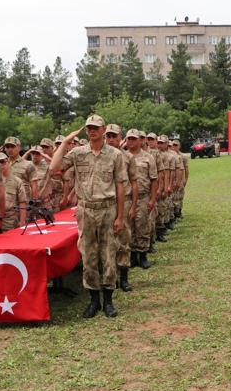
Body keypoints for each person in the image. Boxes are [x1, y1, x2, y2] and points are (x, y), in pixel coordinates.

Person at [50, 114, 127, 318]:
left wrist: (120, 216)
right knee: (88, 256)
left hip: (108, 209)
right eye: (88, 128)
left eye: (95, 128)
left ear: (103, 130)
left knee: (109, 255)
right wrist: (65, 142)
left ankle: (108, 301)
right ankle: (93, 300)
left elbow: (120, 185)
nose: (92, 131)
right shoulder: (77, 153)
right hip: (85, 210)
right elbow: (54, 168)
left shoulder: (115, 155)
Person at [105, 124, 138, 292]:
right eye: (108, 136)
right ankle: (110, 277)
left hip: (123, 203)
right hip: (106, 203)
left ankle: (124, 278)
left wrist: (133, 205)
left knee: (124, 240)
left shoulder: (128, 157)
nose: (110, 139)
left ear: (120, 138)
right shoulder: (102, 156)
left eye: (114, 136)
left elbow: (134, 181)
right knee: (107, 243)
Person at [126, 129, 157, 269]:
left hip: (143, 197)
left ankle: (143, 255)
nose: (131, 141)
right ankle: (132, 257)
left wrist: (152, 199)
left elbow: (154, 180)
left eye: (134, 139)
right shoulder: (122, 157)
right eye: (129, 139)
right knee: (129, 228)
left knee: (142, 226)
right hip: (127, 199)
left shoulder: (148, 157)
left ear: (140, 141)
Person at [0, 152, 27, 232]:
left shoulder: (17, 181)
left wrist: (22, 221)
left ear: (8, 162)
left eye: (2, 162)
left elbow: (22, 202)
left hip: (10, 220)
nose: (0, 165)